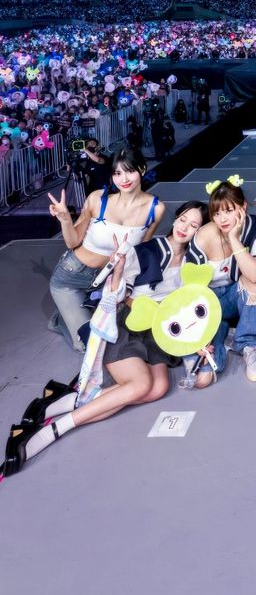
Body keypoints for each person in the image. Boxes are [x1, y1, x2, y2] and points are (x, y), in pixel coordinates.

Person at [2, 203, 206, 476]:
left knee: (157, 389)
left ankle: (54, 405)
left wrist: (196, 339)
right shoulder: (148, 250)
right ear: (176, 219)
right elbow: (116, 294)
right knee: (140, 384)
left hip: (157, 334)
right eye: (183, 219)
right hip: (128, 324)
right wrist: (119, 269)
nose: (185, 228)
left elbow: (189, 307)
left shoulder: (194, 263)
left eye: (194, 225)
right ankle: (53, 429)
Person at [48, 146, 164, 350]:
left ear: (142, 169)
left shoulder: (155, 208)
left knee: (113, 339)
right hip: (72, 277)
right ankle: (61, 319)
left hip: (109, 283)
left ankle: (75, 312)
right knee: (87, 345)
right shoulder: (97, 199)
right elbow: (73, 242)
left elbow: (139, 252)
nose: (124, 179)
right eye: (117, 173)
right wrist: (65, 219)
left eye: (129, 171)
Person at [188, 178, 256, 383]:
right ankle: (222, 331)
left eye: (229, 210)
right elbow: (191, 291)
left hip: (237, 295)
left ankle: (250, 344)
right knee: (202, 380)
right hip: (207, 302)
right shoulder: (203, 237)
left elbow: (255, 275)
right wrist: (200, 335)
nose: (222, 219)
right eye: (217, 213)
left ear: (243, 207)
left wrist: (234, 238)